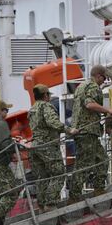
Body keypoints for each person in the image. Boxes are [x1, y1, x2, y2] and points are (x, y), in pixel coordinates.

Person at [69, 65, 112, 202]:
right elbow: (89, 104)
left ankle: (98, 188)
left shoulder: (80, 86)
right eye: (104, 78)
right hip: (87, 131)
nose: (104, 81)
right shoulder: (93, 87)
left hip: (84, 131)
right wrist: (108, 110)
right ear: (98, 76)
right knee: (84, 164)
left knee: (102, 160)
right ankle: (74, 196)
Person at [28, 84, 78, 212]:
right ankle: (50, 203)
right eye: (48, 95)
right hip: (47, 145)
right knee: (59, 173)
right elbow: (53, 122)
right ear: (45, 95)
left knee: (42, 177)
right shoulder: (46, 106)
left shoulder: (32, 109)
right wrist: (69, 130)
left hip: (35, 146)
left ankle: (41, 204)